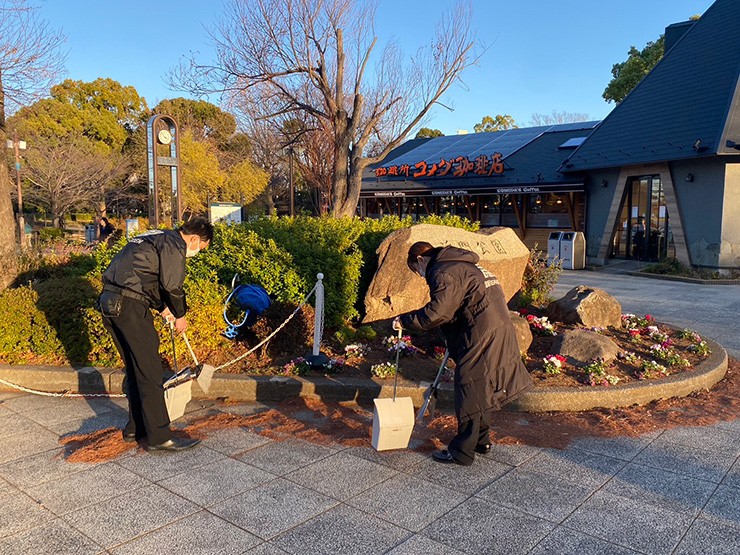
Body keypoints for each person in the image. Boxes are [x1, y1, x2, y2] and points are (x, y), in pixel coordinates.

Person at [393, 242, 534, 466]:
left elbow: (437, 312)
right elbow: (461, 305)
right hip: (498, 327)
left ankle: (462, 451)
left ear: (420, 260)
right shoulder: (461, 264)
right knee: (480, 387)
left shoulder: (443, 271)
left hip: (482, 333)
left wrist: (405, 320)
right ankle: (481, 441)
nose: (420, 275)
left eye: (416, 271)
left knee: (469, 387)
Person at [98, 217, 213, 452]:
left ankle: (136, 428)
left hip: (109, 302)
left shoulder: (155, 236)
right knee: (149, 371)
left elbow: (145, 278)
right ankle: (160, 436)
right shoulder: (174, 244)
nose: (196, 253)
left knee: (134, 368)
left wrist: (162, 308)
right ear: (193, 239)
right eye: (200, 248)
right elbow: (172, 286)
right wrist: (180, 315)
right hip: (130, 306)